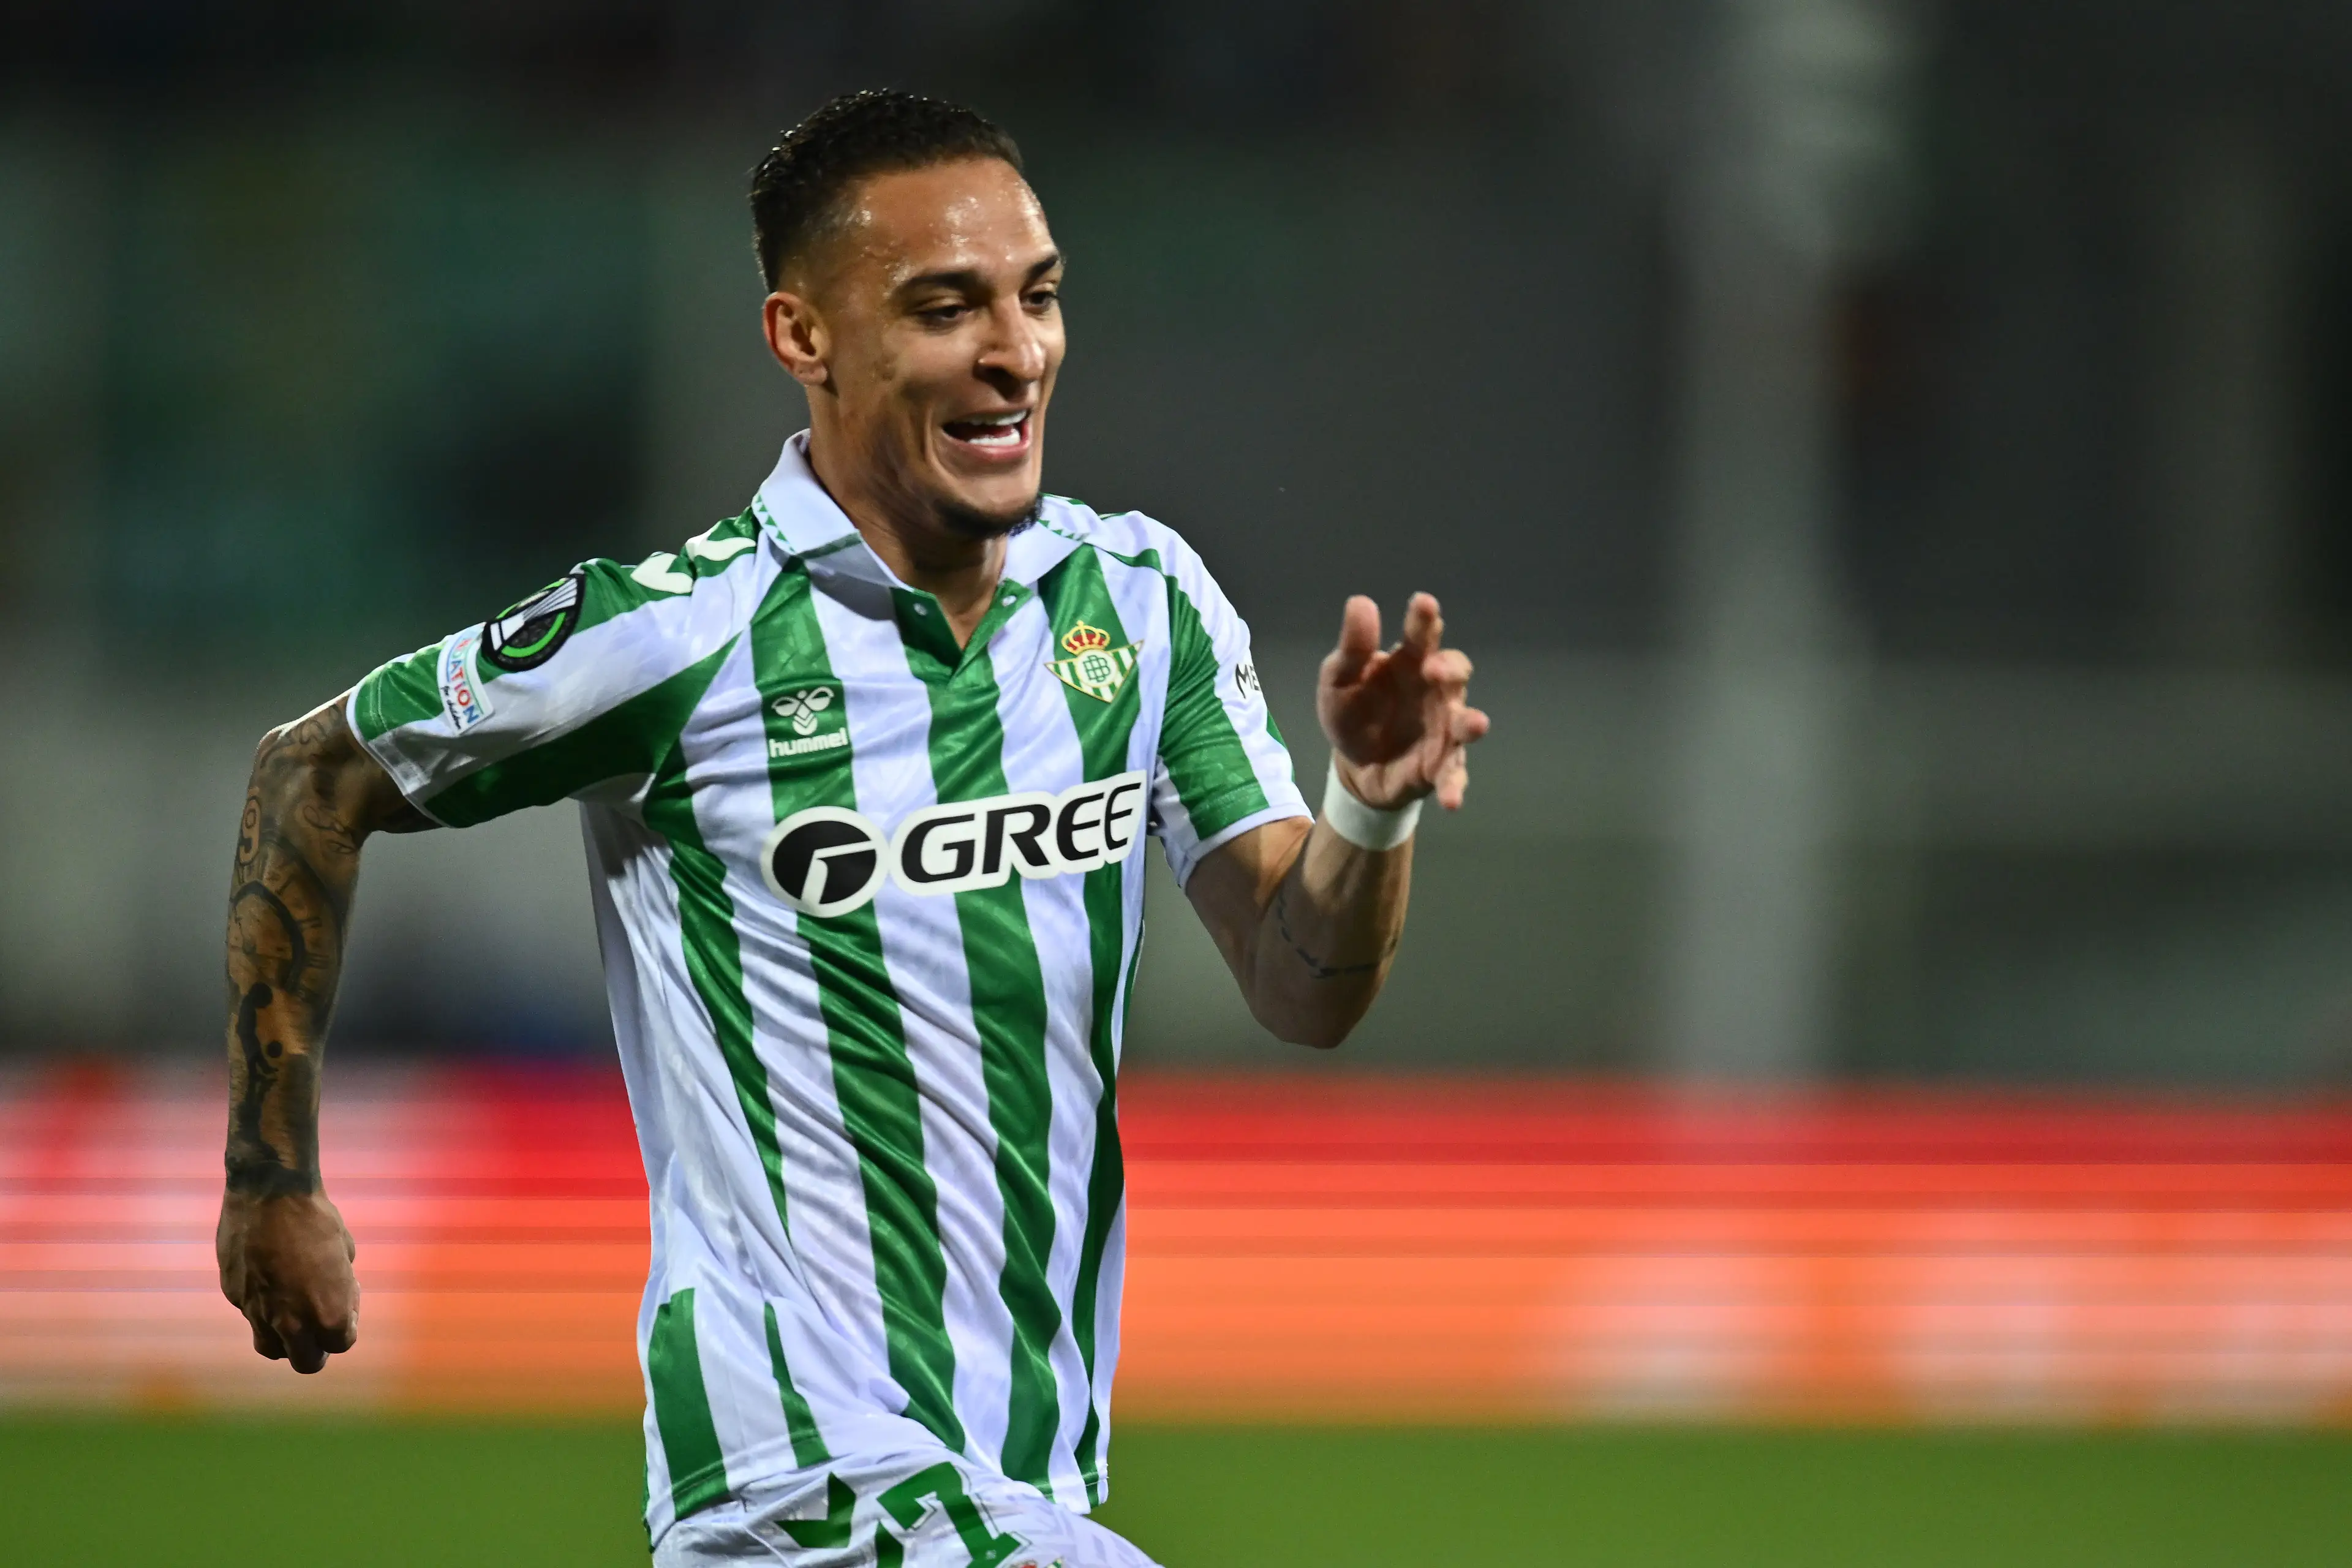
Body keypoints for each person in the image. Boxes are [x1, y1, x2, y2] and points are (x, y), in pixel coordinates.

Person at [214, 88, 1488, 1567]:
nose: (1016, 352)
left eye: (1040, 295)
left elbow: (1301, 983)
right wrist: (272, 1183)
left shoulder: (1138, 606)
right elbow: (314, 775)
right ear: (803, 339)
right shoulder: (680, 636)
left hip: (1023, 1477)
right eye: (947, 308)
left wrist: (1369, 806)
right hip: (793, 1479)